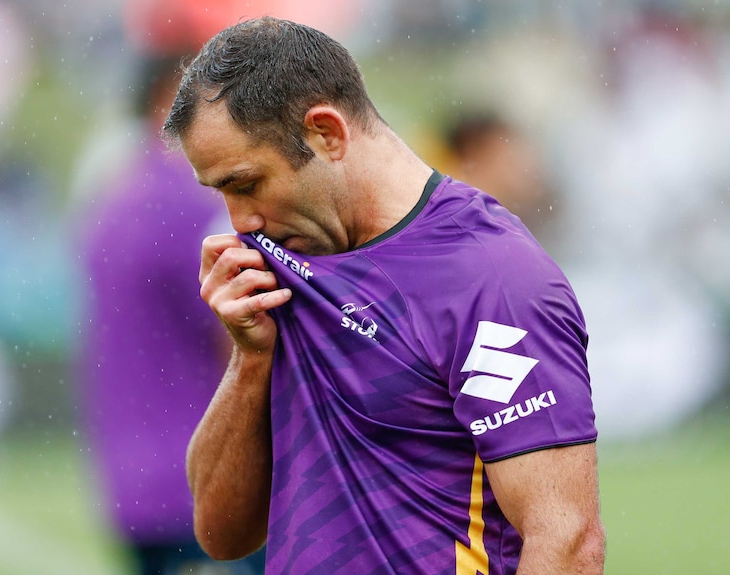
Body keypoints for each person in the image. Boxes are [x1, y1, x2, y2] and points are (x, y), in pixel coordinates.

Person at [162, 16, 605, 575]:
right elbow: (221, 532)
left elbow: (566, 542)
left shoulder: (491, 278)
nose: (240, 221)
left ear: (327, 133)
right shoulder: (285, 266)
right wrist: (252, 357)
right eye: (221, 191)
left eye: (246, 185)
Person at [76, 51, 265, 575]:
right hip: (207, 476)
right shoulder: (193, 201)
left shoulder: (112, 198)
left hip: (132, 473)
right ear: (171, 101)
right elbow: (235, 332)